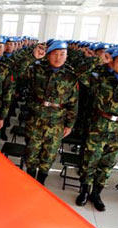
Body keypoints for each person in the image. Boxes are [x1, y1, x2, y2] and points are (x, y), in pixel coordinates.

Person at [76, 47, 118, 212]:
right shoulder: (100, 79)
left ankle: (96, 194)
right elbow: (79, 74)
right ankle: (84, 191)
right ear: (112, 61)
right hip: (98, 127)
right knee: (89, 161)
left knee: (107, 165)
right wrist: (98, 60)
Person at [20, 41, 79, 185]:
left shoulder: (71, 76)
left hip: (56, 123)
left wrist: (70, 124)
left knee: (49, 154)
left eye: (62, 54)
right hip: (35, 119)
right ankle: (30, 180)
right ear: (48, 55)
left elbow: (73, 102)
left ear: (66, 56)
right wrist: (32, 57)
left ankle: (41, 182)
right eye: (55, 54)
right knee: (31, 152)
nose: (58, 57)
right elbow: (19, 73)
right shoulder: (36, 69)